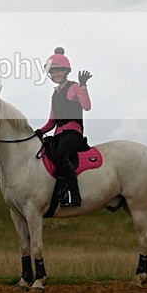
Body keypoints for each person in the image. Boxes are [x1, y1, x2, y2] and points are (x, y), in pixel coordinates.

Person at [35, 47, 92, 207]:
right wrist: (38, 132)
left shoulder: (74, 87)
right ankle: (57, 192)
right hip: (59, 134)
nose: (55, 75)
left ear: (65, 71)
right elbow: (52, 121)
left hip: (73, 133)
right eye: (52, 72)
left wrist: (83, 86)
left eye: (58, 71)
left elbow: (87, 106)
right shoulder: (55, 94)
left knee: (60, 155)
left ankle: (75, 195)